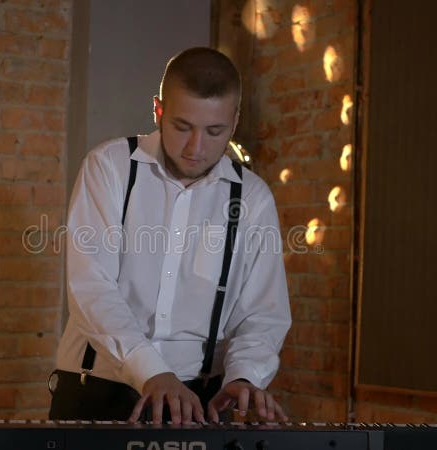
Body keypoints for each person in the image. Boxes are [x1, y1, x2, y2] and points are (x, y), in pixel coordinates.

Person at [49, 47, 291, 424]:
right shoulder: (110, 168)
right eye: (182, 127)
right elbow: (92, 287)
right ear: (158, 111)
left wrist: (245, 375)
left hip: (199, 401)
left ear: (235, 121)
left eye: (215, 132)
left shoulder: (252, 197)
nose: (196, 148)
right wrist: (152, 372)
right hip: (97, 391)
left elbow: (262, 313)